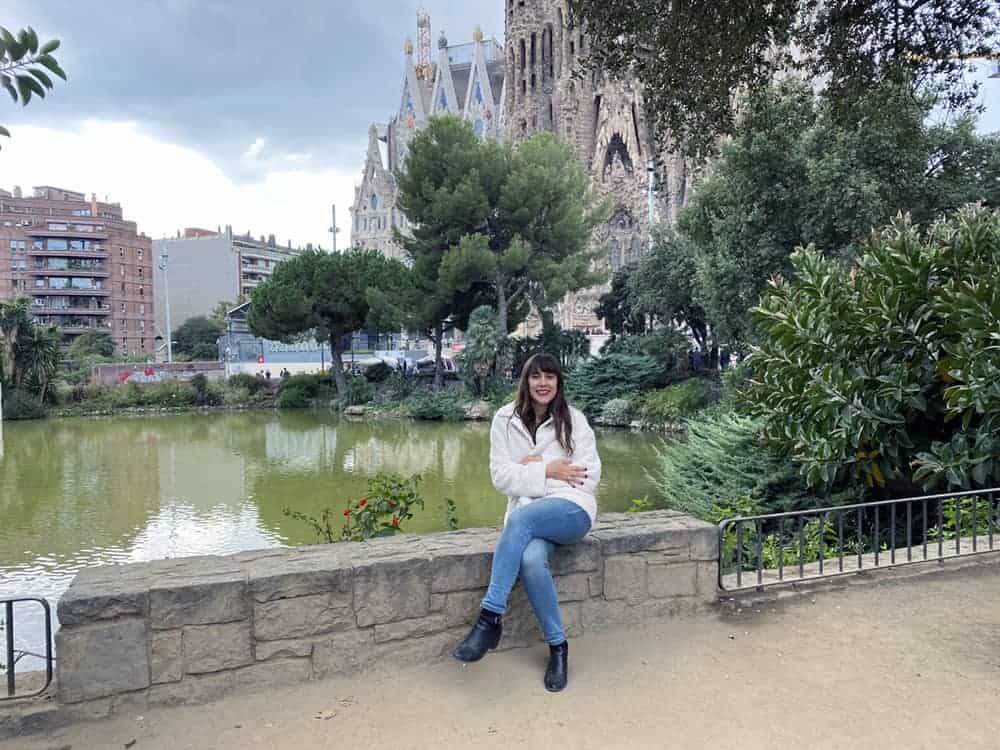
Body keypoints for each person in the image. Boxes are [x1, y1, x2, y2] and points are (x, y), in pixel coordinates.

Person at [452, 352, 601, 692]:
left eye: (550, 377)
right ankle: (558, 648)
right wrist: (549, 469)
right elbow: (500, 477)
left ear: (559, 382)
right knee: (532, 560)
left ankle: (489, 618)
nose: (543, 383)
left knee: (519, 520)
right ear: (525, 381)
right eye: (536, 377)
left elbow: (588, 476)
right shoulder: (503, 419)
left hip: (571, 509)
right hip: (529, 515)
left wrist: (532, 469)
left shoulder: (574, 420)